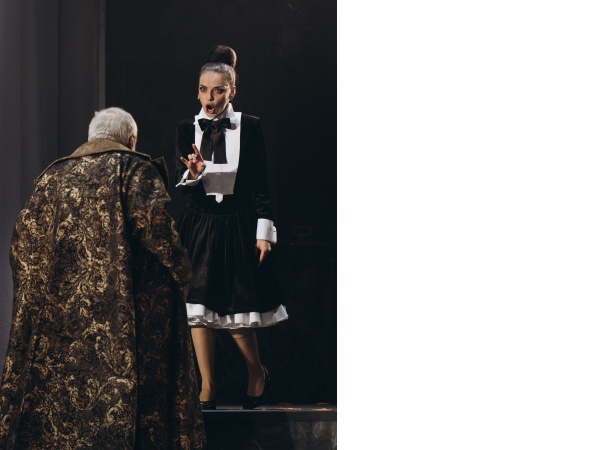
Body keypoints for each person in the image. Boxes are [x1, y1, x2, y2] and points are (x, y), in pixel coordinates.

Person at [0, 107, 206, 449]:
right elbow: (158, 234)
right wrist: (183, 272)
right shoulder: (134, 169)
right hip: (122, 318)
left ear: (92, 137)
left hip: (59, 320)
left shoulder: (52, 177)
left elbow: (22, 243)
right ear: (131, 140)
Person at [175, 45, 288, 410]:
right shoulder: (186, 128)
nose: (210, 98)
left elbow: (262, 186)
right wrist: (193, 175)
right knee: (198, 306)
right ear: (197, 91)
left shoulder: (250, 127)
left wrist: (263, 234)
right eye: (204, 90)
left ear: (232, 91)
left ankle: (255, 371)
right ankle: (207, 386)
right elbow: (183, 184)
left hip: (239, 225)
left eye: (218, 90)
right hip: (200, 225)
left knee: (237, 306)